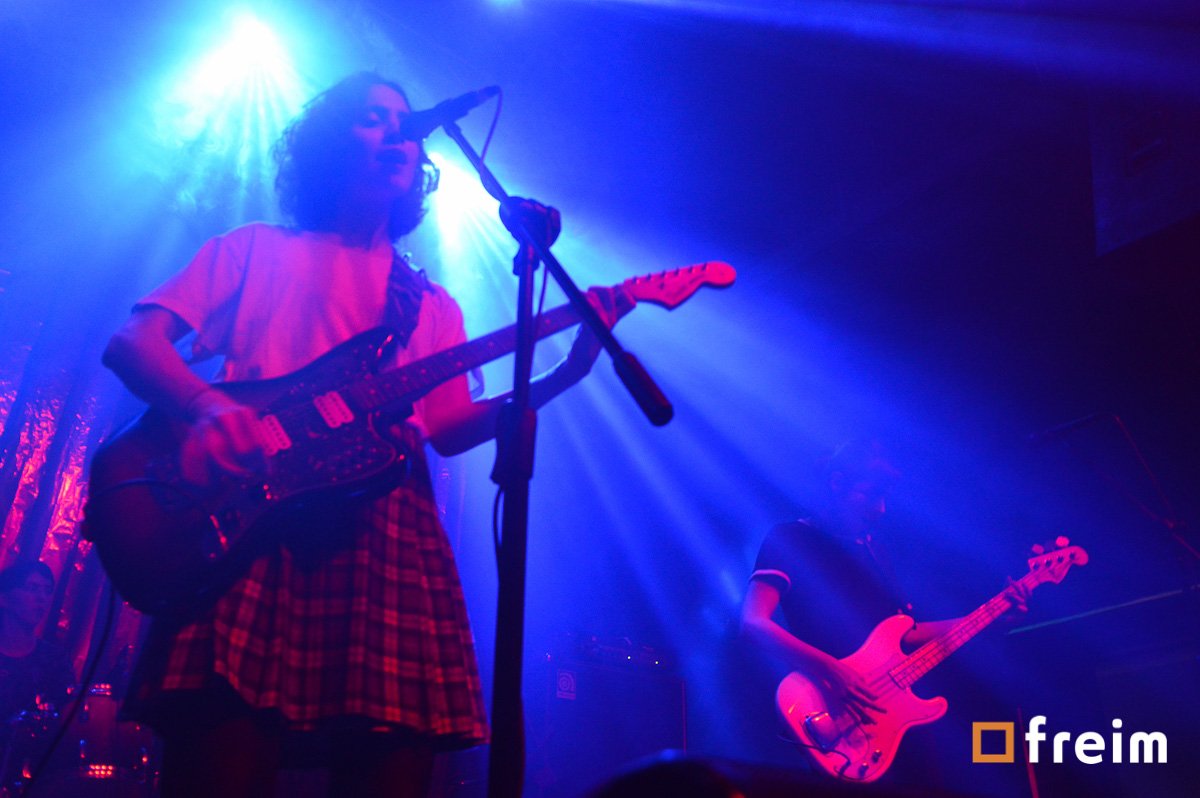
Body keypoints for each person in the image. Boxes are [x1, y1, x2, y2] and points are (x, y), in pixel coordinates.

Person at [101, 71, 627, 798]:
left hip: (386, 527)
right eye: (372, 117)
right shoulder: (253, 248)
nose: (396, 133)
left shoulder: (430, 303)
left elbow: (447, 428)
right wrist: (208, 407)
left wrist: (563, 373)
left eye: (404, 123)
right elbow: (133, 343)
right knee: (222, 754)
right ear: (326, 144)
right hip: (252, 513)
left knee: (389, 770)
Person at [739, 439, 1028, 786]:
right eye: (873, 493)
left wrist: (988, 616)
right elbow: (753, 623)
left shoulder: (875, 549)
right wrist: (831, 669)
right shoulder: (790, 538)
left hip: (895, 717)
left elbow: (906, 632)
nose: (881, 509)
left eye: (885, 496)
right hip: (830, 707)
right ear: (837, 482)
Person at [0, 561, 77, 792]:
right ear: (4, 598)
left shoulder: (54, 660)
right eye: (32, 588)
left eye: (47, 590)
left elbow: (64, 719)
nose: (42, 598)